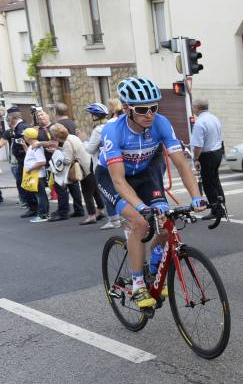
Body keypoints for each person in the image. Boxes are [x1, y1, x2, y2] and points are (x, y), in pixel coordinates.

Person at [96, 76, 207, 315]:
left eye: (154, 107)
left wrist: (197, 196)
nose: (150, 114)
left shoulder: (161, 123)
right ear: (127, 109)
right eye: (143, 109)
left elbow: (181, 164)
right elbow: (118, 179)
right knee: (140, 222)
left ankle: (155, 265)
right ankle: (137, 284)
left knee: (165, 222)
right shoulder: (112, 131)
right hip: (113, 177)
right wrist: (141, 209)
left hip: (146, 172)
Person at [48, 123, 103, 225]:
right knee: (94, 190)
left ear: (56, 136)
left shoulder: (66, 143)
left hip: (82, 169)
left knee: (87, 193)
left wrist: (58, 155)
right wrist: (59, 149)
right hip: (89, 164)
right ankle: (100, 210)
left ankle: (91, 216)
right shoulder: (72, 137)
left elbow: (68, 160)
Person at [190, 97, 225, 219]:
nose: (192, 108)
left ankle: (216, 211)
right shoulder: (214, 118)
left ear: (197, 108)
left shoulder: (200, 123)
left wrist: (195, 159)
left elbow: (198, 146)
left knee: (208, 184)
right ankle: (222, 206)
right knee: (215, 181)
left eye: (193, 106)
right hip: (217, 151)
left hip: (207, 155)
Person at [83, 102, 116, 228]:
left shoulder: (97, 130)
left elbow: (90, 149)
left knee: (106, 192)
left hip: (101, 164)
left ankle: (113, 219)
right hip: (113, 162)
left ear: (95, 116)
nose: (89, 117)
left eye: (90, 115)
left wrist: (84, 140)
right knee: (115, 190)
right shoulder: (111, 125)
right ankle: (118, 216)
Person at [21, 127, 50, 222]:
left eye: (24, 135)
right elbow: (31, 157)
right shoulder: (32, 145)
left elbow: (42, 161)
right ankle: (44, 214)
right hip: (35, 175)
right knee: (41, 195)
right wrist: (25, 146)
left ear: (28, 137)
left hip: (37, 175)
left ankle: (43, 215)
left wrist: (30, 168)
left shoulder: (36, 146)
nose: (24, 137)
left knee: (40, 195)